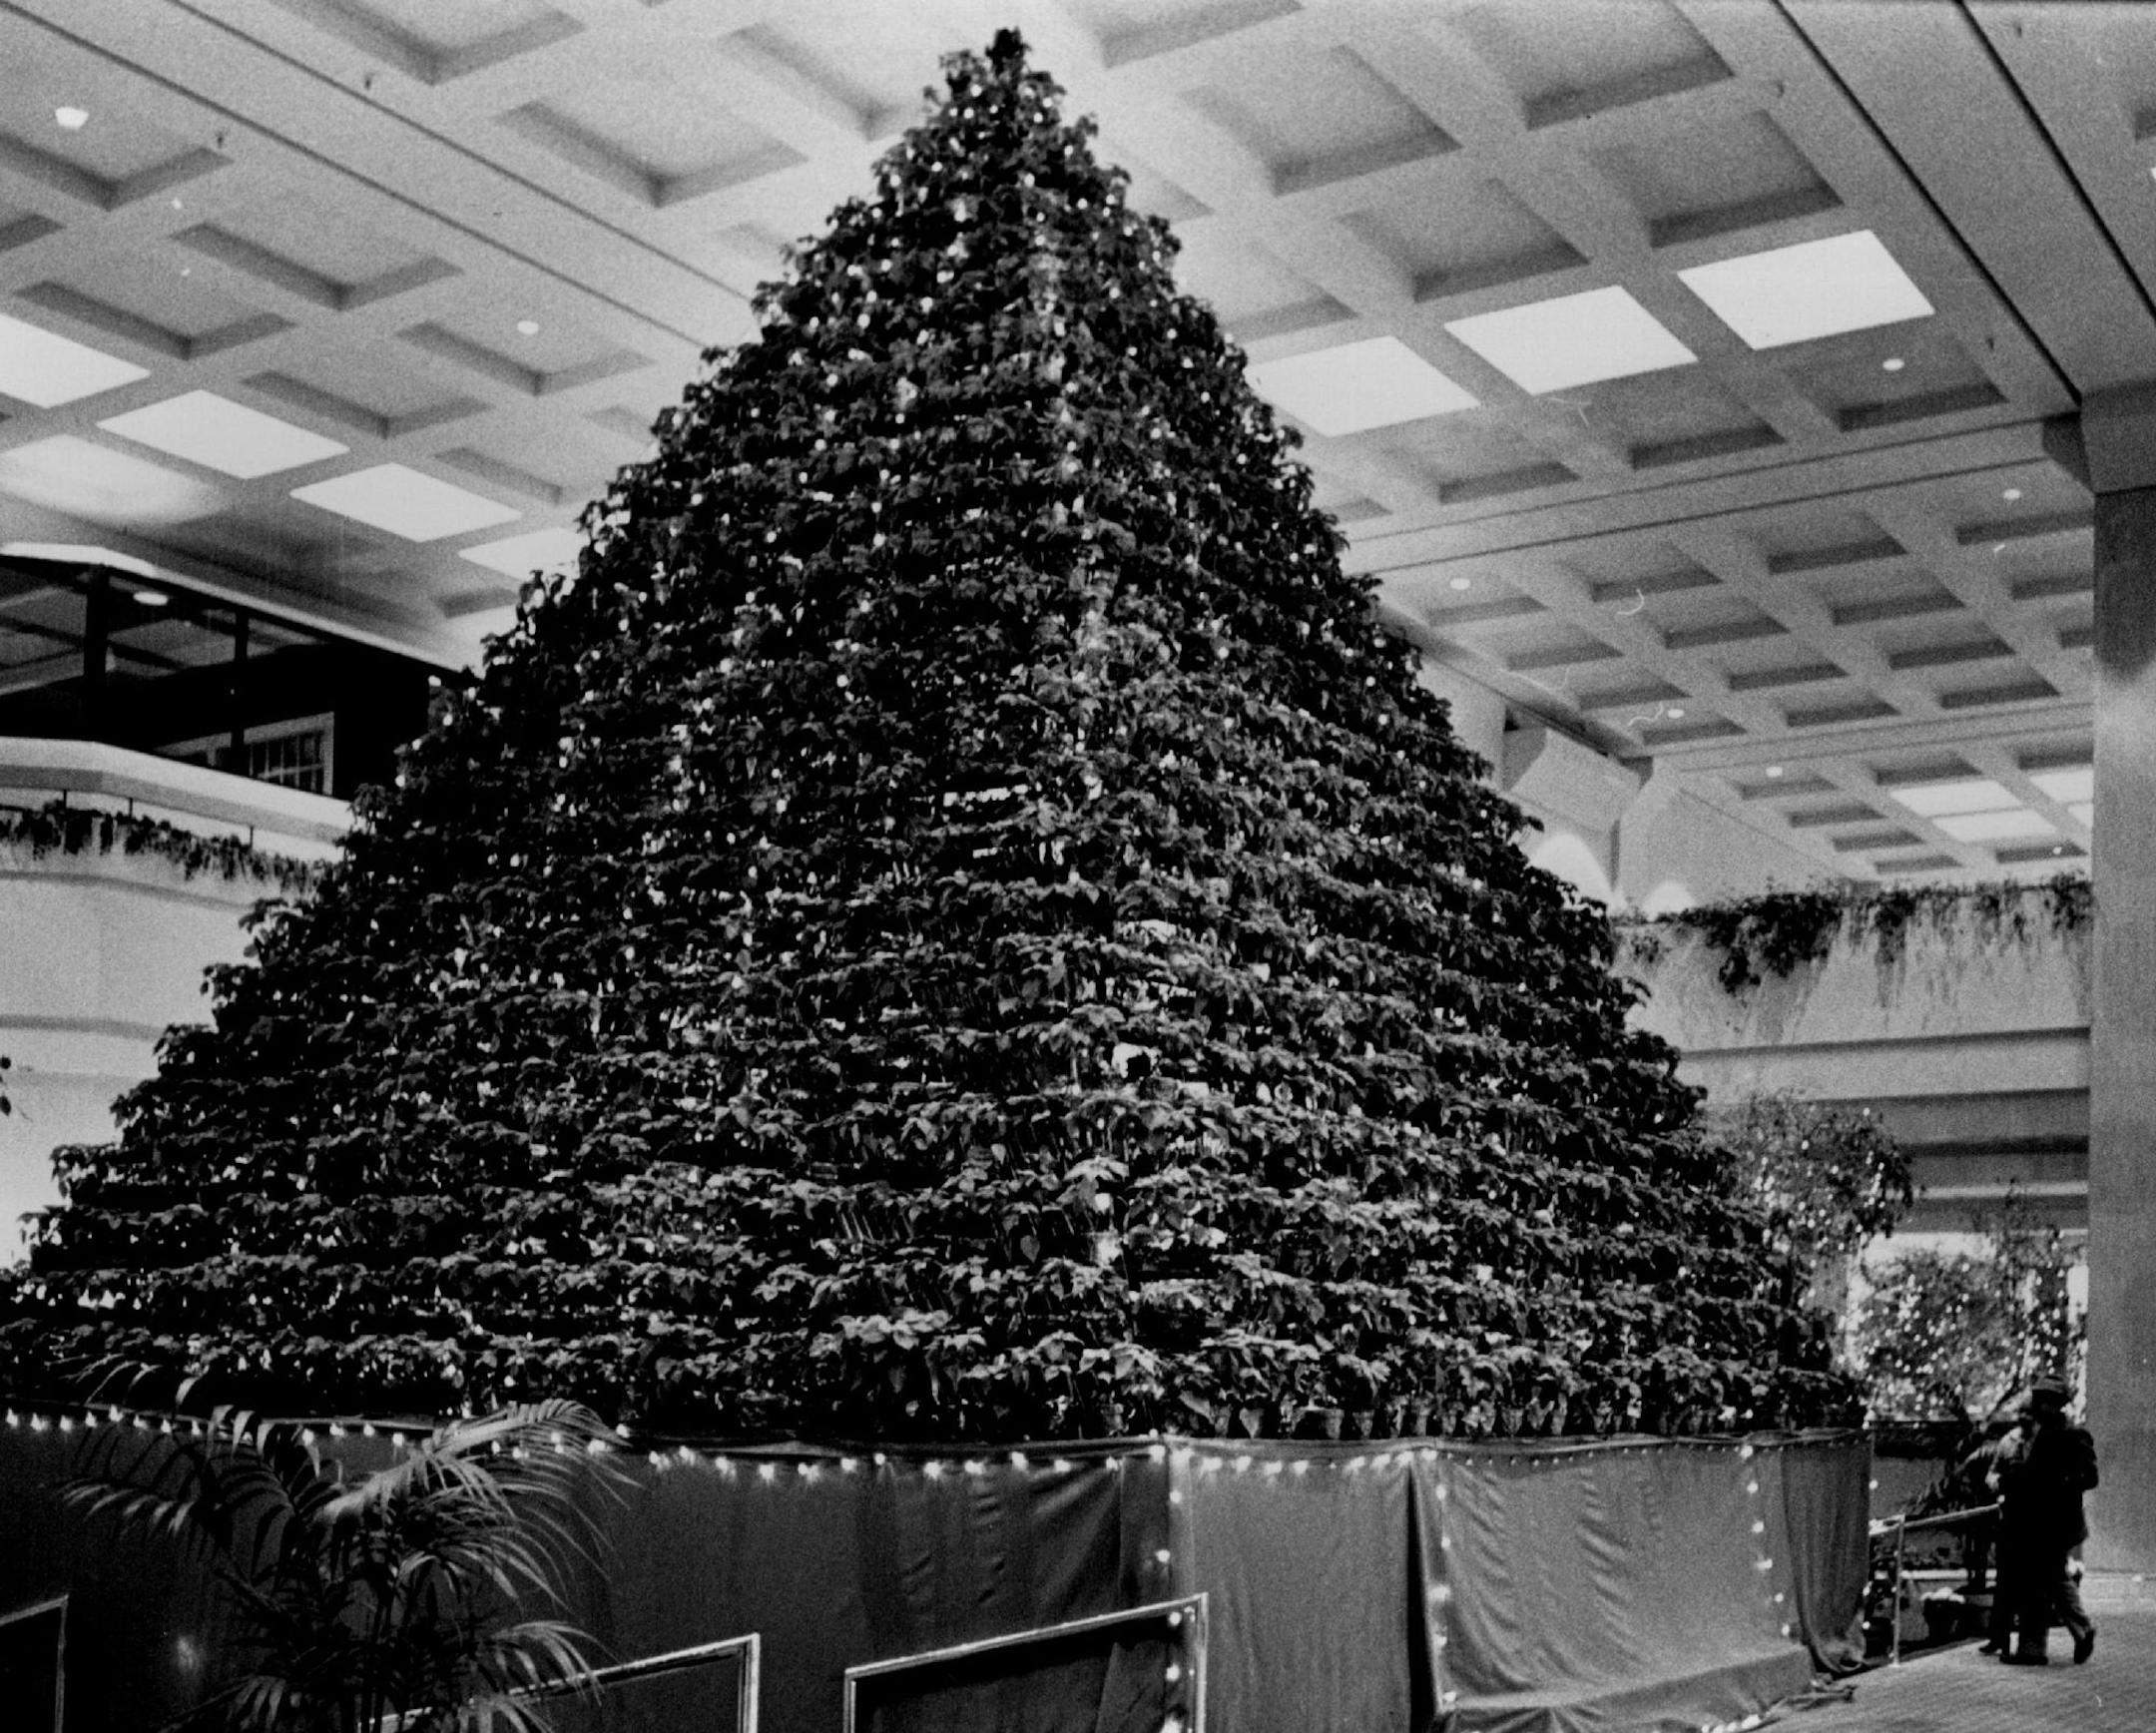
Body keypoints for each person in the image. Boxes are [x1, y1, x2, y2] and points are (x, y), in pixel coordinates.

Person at [1991, 1377, 2099, 1665]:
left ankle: (2037, 1646)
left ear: (2057, 1404)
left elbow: (2089, 1477)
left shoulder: (2070, 1436)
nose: (2039, 1405)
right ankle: (2064, 1636)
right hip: (2042, 1523)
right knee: (2049, 1579)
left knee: (2040, 1582)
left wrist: (2056, 1485)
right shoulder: (2045, 1433)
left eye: (2045, 1400)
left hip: (2052, 1524)